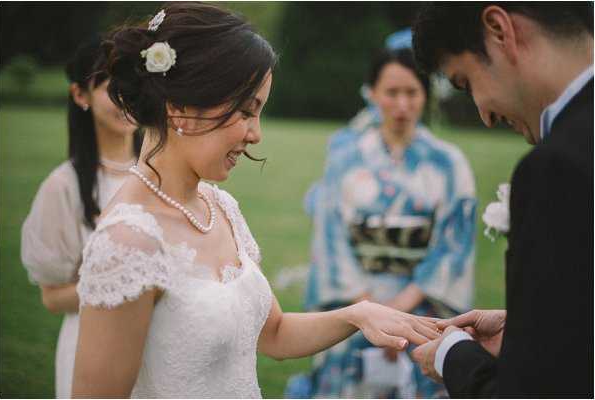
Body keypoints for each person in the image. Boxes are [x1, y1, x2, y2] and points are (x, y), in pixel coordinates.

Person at [70, 4, 441, 398]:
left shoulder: (220, 208)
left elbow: (275, 334)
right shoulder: (128, 241)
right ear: (180, 105)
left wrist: (356, 315)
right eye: (247, 111)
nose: (256, 134)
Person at [410, 3, 593, 397]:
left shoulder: (559, 167)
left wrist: (452, 356)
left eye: (467, 82)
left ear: (498, 30)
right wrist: (533, 326)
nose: (484, 114)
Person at [300, 48, 476, 398]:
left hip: (423, 307)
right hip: (356, 301)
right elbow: (331, 239)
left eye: (411, 92)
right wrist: (369, 311)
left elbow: (452, 247)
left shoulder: (448, 163)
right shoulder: (346, 159)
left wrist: (399, 314)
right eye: (391, 93)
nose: (401, 104)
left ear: (426, 95)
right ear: (373, 93)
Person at [19, 36, 140, 398]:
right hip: (93, 346)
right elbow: (53, 297)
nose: (125, 98)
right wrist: (130, 287)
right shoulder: (63, 186)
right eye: (110, 87)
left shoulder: (163, 176)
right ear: (80, 95)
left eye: (134, 86)